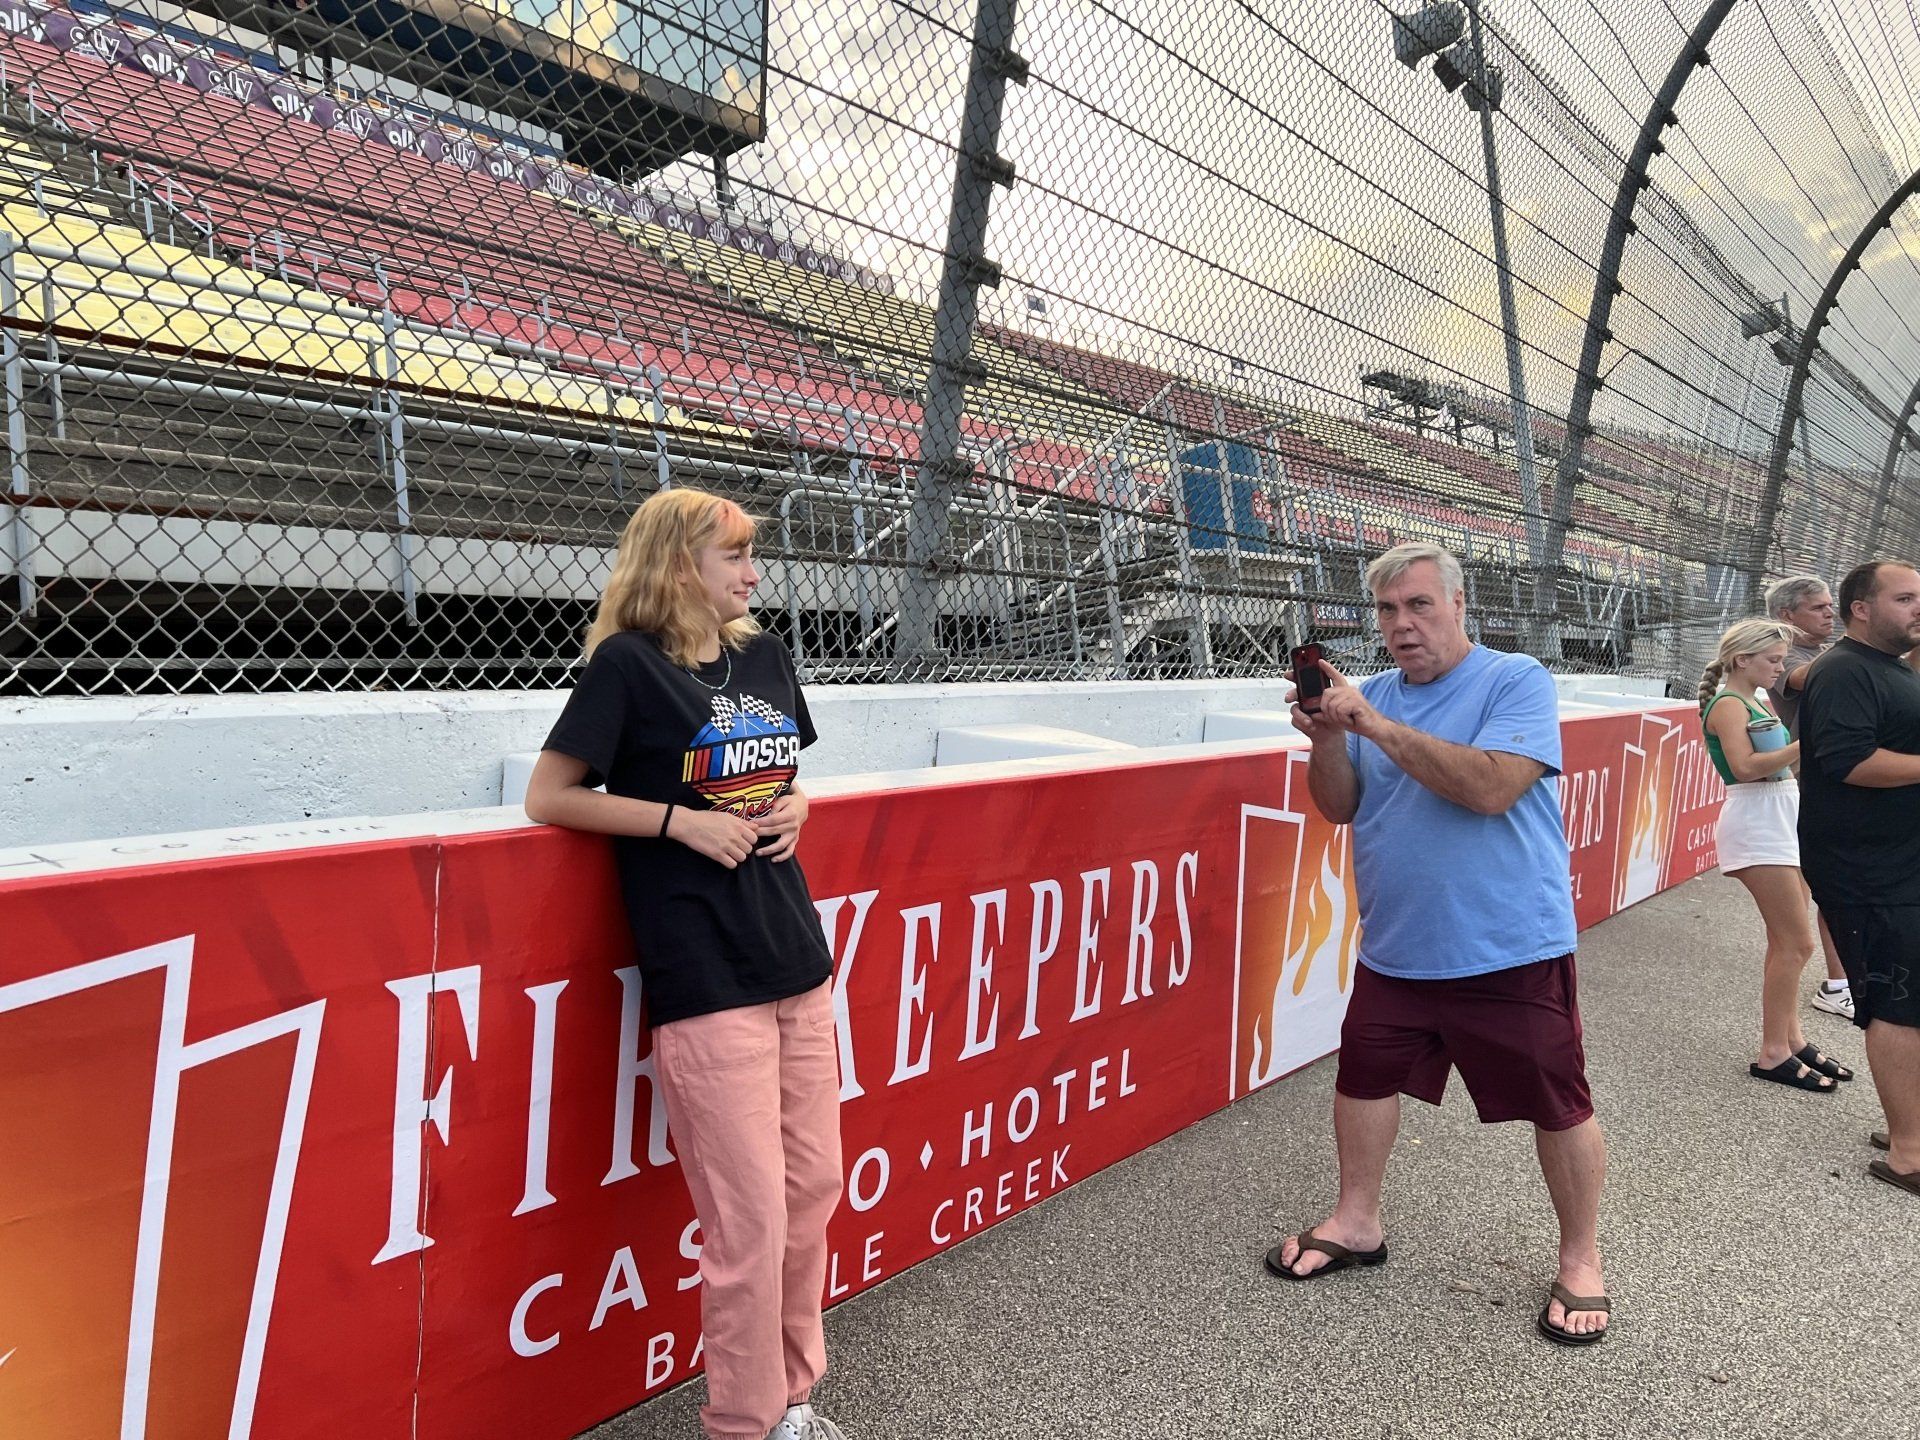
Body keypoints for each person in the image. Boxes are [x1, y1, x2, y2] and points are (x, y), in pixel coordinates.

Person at [524, 488, 850, 1440]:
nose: (754, 573)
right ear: (678, 565)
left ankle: (794, 1400)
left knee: (812, 1192)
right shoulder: (627, 666)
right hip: (704, 973)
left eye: (751, 554)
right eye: (734, 555)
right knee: (748, 1222)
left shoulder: (765, 655)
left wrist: (799, 806)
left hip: (794, 954)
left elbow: (782, 777)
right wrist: (678, 823)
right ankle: (745, 1423)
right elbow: (550, 796)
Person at [1265, 542, 1610, 1347]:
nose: (1402, 624)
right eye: (1388, 610)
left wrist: (1373, 726)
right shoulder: (1370, 698)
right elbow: (1339, 808)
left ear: (1459, 604)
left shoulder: (1514, 679)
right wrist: (1327, 739)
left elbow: (1491, 788)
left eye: (1419, 604)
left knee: (1557, 1102)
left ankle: (1581, 1258)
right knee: (1363, 1081)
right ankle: (1357, 1222)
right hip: (1397, 946)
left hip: (1508, 945)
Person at [1798, 559, 1920, 1198]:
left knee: (1911, 1000)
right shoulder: (1845, 669)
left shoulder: (1890, 667)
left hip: (1897, 865)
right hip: (1868, 871)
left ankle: (1911, 1126)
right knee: (1898, 1003)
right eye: (1905, 598)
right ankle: (1909, 1154)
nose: (1919, 608)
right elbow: (1849, 761)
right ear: (1861, 608)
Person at [1697, 619, 1851, 1093]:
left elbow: (1779, 764)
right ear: (1742, 659)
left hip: (1780, 818)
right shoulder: (1729, 704)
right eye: (1773, 660)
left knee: (1784, 941)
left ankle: (1791, 1039)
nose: (1781, 668)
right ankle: (1773, 1052)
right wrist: (1808, 743)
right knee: (1797, 943)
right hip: (1758, 822)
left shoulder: (1754, 700)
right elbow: (1744, 768)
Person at [1763, 575, 1855, 1020]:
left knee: (1842, 884)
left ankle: (1845, 979)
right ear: (1787, 615)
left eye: (1830, 605)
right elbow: (1810, 678)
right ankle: (1837, 985)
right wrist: (1868, 639)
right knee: (1830, 886)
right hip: (1808, 786)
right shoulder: (1786, 660)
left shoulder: (1825, 654)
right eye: (1818, 607)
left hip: (1833, 782)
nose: (1829, 613)